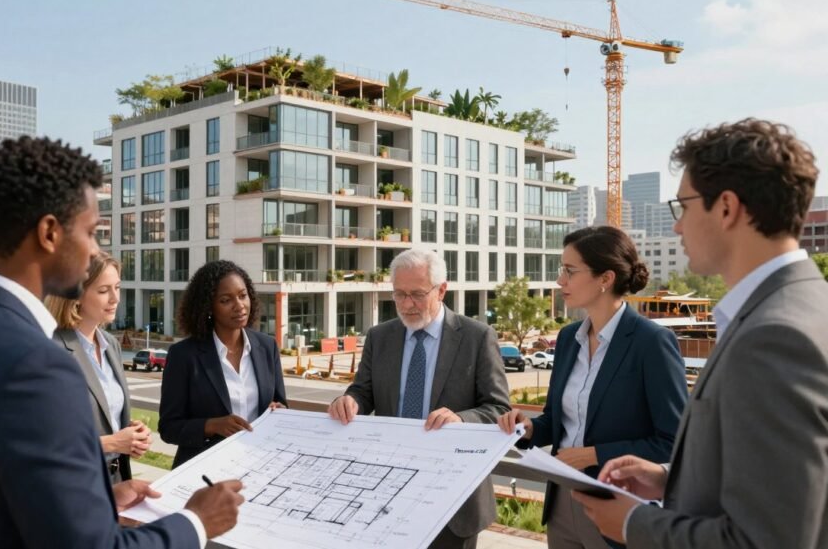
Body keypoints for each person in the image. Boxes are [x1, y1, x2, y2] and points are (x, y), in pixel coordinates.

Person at [0, 136, 244, 549]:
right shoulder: (37, 365)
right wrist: (196, 522)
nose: (94, 250)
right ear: (50, 233)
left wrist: (94, 503)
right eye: (90, 232)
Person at [574, 119, 828, 548]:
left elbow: (768, 539)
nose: (677, 227)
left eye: (684, 207)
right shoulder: (803, 306)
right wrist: (670, 480)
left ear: (726, 207)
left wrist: (634, 524)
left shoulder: (774, 337)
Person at [497, 226, 688, 549]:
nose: (560, 281)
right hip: (562, 503)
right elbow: (556, 419)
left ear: (605, 278)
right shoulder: (568, 339)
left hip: (618, 506)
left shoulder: (652, 342)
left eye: (570, 271)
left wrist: (594, 455)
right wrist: (530, 428)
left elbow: (674, 443)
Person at [328, 247, 511, 549]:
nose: (407, 304)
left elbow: (499, 408)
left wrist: (461, 419)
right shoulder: (379, 336)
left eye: (417, 294)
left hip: (453, 497)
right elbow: (363, 391)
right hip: (388, 492)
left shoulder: (477, 337)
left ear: (442, 290)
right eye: (399, 294)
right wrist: (349, 401)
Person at [159, 260, 288, 468]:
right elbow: (168, 428)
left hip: (258, 465)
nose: (239, 305)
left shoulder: (267, 346)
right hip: (205, 471)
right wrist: (212, 425)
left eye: (243, 295)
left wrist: (279, 410)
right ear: (208, 307)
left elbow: (280, 404)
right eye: (226, 300)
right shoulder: (183, 355)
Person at [45, 251, 150, 485]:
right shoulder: (51, 350)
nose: (115, 298)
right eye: (103, 290)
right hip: (72, 486)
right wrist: (113, 442)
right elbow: (44, 443)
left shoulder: (111, 345)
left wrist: (133, 435)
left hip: (116, 480)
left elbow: (105, 414)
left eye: (117, 288)